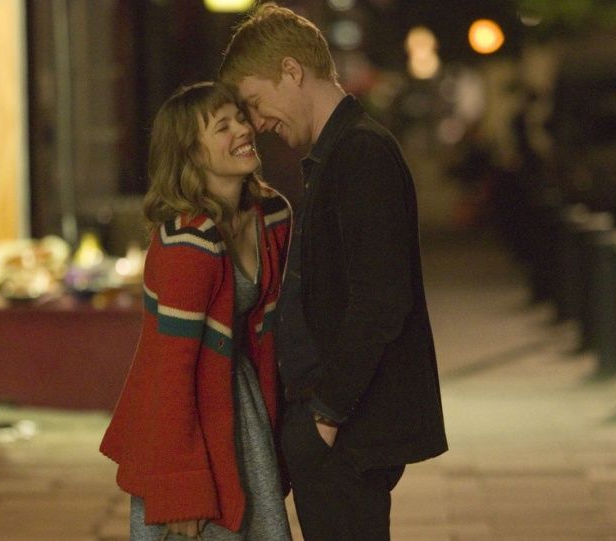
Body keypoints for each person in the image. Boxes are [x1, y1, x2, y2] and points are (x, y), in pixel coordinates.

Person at [219, 4, 448, 539]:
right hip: (340, 425)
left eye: (255, 103)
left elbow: (381, 300)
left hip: (346, 431)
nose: (257, 124)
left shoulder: (360, 152)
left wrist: (324, 417)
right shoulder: (340, 152)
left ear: (292, 71)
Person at [99, 81, 292, 540]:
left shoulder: (272, 215)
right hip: (190, 423)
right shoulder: (186, 243)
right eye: (222, 127)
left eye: (240, 119)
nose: (243, 130)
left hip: (241, 405)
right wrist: (180, 489)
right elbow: (169, 371)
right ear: (191, 154)